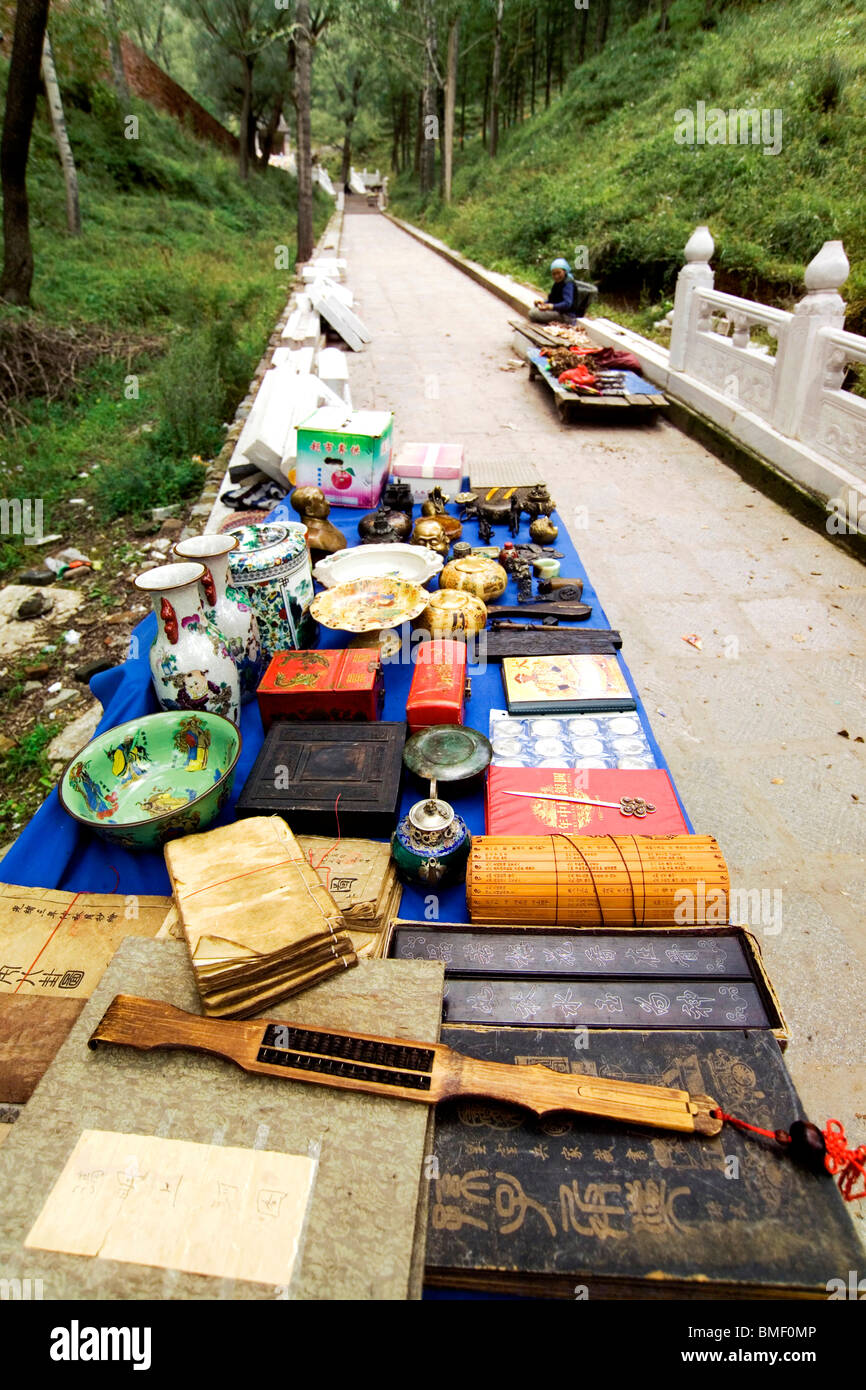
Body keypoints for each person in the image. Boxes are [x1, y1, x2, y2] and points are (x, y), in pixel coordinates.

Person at [529, 258, 595, 325]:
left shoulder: (568, 284)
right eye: (554, 274)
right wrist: (543, 303)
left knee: (533, 313)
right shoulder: (558, 283)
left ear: (565, 271)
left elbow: (567, 304)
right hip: (559, 312)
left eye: (559, 273)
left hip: (567, 316)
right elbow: (553, 300)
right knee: (534, 310)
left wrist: (551, 306)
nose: (556, 276)